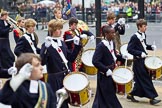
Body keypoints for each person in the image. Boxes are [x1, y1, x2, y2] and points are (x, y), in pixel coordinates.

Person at [40, 19, 82, 108]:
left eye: (60, 28)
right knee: (56, 103)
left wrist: (77, 46)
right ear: (52, 30)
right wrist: (45, 48)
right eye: (58, 29)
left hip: (64, 76)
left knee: (65, 102)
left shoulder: (62, 43)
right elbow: (42, 62)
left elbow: (70, 58)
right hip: (54, 78)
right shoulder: (46, 44)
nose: (60, 31)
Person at [127, 19, 161, 105]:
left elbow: (144, 46)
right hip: (138, 61)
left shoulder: (143, 34)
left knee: (140, 81)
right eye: (144, 26)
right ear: (139, 27)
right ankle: (152, 98)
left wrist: (150, 47)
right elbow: (129, 49)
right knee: (146, 79)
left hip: (143, 60)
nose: (146, 27)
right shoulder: (134, 37)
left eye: (146, 26)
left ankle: (131, 94)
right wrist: (139, 53)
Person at [92, 26, 125, 108]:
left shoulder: (112, 43)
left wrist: (121, 57)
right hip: (104, 74)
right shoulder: (101, 46)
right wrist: (106, 70)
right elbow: (95, 61)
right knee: (108, 94)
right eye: (112, 33)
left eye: (114, 32)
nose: (114, 34)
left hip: (112, 70)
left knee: (103, 95)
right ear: (106, 34)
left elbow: (113, 55)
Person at [0, 11, 15, 78]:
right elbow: (2, 31)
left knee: (8, 55)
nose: (7, 17)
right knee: (5, 55)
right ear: (2, 16)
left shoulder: (5, 22)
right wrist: (9, 27)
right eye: (5, 16)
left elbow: (7, 30)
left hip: (6, 40)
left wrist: (10, 26)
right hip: (2, 41)